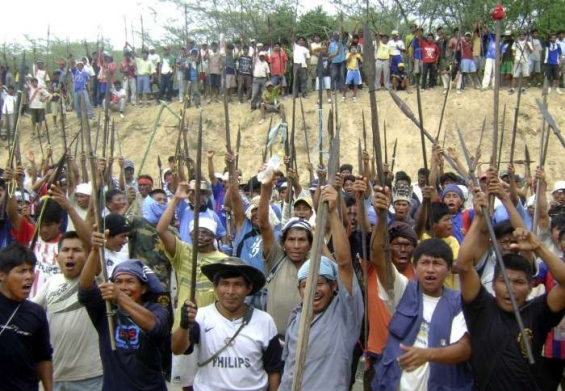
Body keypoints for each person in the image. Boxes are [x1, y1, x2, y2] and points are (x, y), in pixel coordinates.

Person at [458, 190, 565, 390]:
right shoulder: (481, 307)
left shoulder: (538, 312)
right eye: (504, 281)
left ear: (530, 286)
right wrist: (479, 219)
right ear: (493, 285)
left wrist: (538, 247)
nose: (511, 289)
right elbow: (464, 266)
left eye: (519, 282)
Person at [279, 185, 363, 390]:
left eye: (319, 283)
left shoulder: (344, 313)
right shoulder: (296, 316)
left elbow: (344, 264)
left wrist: (333, 212)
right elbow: (289, 368)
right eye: (306, 285)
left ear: (333, 285)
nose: (312, 291)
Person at [172, 257, 283, 390]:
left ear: (249, 288)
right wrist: (184, 326)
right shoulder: (200, 317)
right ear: (215, 286)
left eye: (238, 284)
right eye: (224, 284)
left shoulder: (265, 321)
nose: (230, 292)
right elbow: (177, 349)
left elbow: (274, 370)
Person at [79, 233, 171, 391]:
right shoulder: (106, 310)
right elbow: (85, 288)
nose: (123, 287)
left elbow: (155, 326)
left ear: (143, 288)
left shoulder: (158, 309)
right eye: (118, 282)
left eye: (130, 282)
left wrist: (120, 296)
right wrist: (94, 249)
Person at [156, 181, 225, 389]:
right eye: (197, 232)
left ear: (213, 236)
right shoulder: (183, 252)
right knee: (187, 381)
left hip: (212, 329)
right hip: (184, 326)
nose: (201, 235)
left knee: (211, 378)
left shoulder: (223, 260)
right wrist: (176, 198)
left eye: (206, 232)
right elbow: (161, 229)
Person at [32, 231, 103, 390]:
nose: (70, 255)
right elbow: (30, 314)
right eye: (65, 250)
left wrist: (69, 207)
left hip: (90, 377)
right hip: (55, 375)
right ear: (57, 257)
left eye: (77, 250)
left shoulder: (96, 280)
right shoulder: (51, 283)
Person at [0, 243, 53, 391]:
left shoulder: (36, 313)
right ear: (2, 275)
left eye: (31, 270)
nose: (29, 276)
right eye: (21, 271)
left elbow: (44, 356)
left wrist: (49, 389)